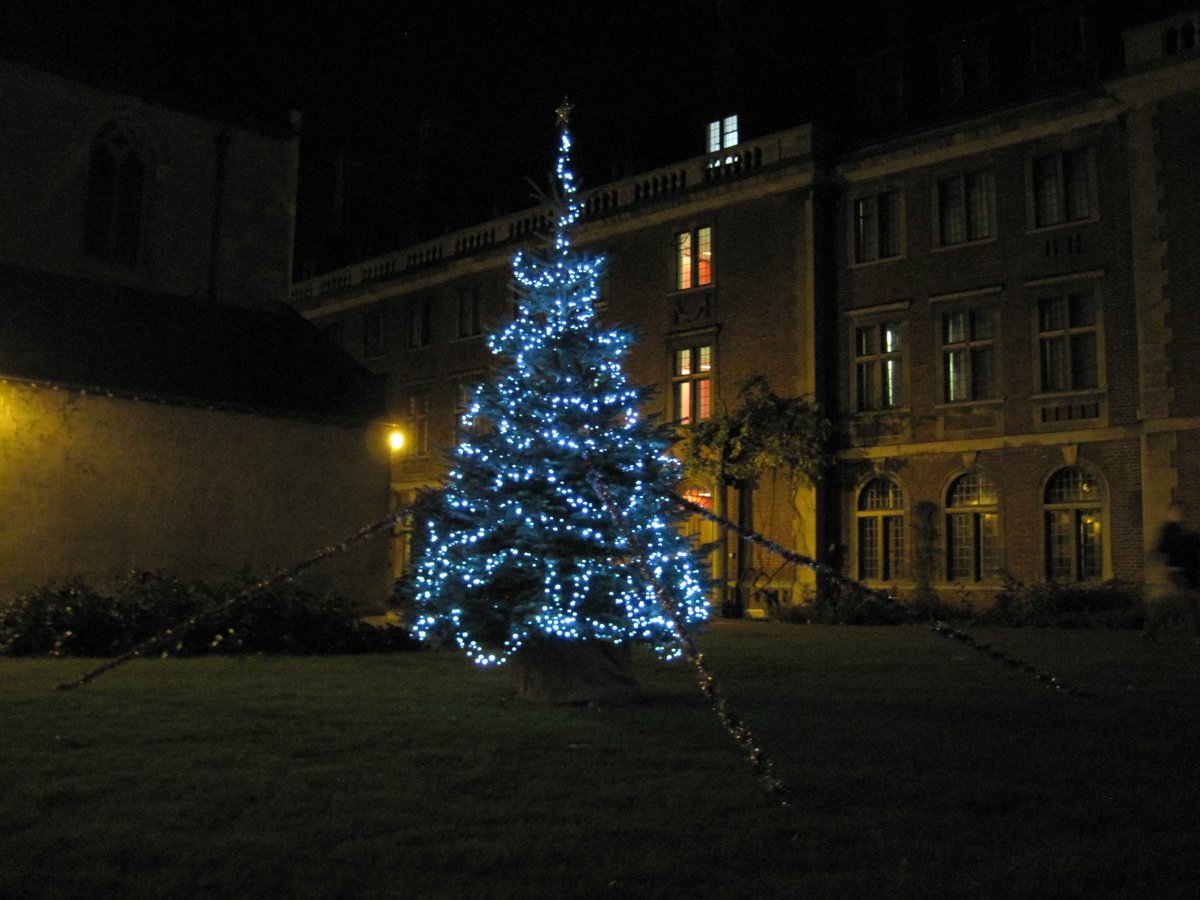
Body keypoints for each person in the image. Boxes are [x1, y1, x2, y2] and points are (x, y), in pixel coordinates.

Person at [1146, 502, 1200, 639]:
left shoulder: (1177, 530)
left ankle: (1150, 630)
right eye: (1177, 512)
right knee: (1187, 604)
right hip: (1174, 573)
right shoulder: (1168, 530)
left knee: (1169, 602)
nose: (1181, 515)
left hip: (1178, 573)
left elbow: (1186, 547)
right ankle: (1196, 633)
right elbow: (1161, 549)